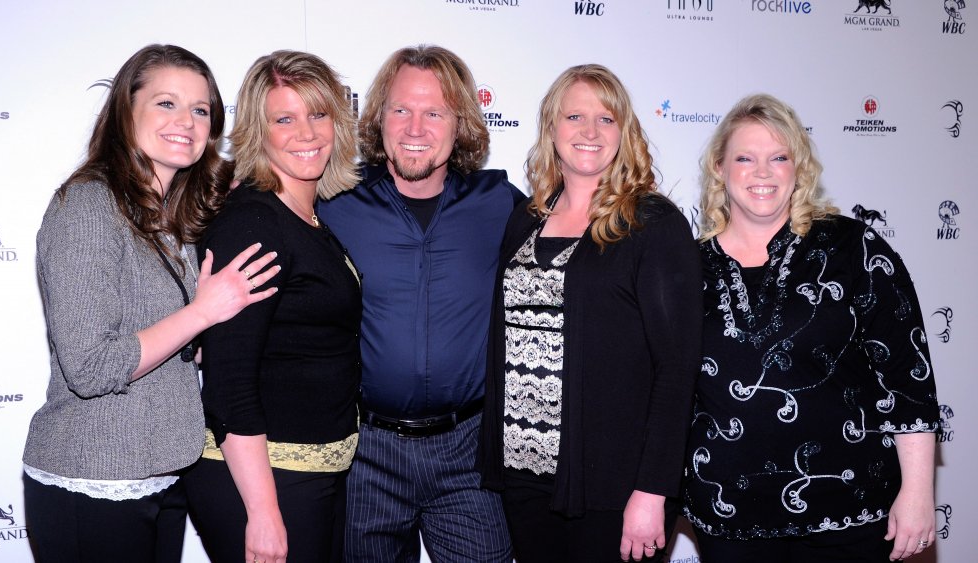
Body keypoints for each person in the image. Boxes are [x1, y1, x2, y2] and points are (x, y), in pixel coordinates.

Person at [21, 44, 279, 563]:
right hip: (91, 479)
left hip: (163, 475)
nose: (186, 121)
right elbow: (91, 367)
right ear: (125, 111)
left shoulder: (172, 215)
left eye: (200, 110)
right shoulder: (89, 205)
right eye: (166, 103)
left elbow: (166, 339)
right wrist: (203, 312)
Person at [681, 93, 940, 562]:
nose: (762, 172)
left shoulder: (852, 248)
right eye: (745, 158)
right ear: (719, 168)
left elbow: (908, 378)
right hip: (729, 519)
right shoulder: (685, 268)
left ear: (798, 168)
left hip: (850, 512)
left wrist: (919, 492)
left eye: (779, 158)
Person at [477, 64, 703, 563]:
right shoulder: (526, 218)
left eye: (606, 118)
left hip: (614, 487)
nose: (589, 131)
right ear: (551, 128)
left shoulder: (652, 224)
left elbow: (677, 368)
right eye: (574, 115)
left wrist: (652, 490)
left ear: (625, 131)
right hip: (525, 476)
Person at [316, 44, 524, 562]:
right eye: (401, 110)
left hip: (469, 451)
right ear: (379, 117)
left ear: (461, 126)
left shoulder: (499, 204)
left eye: (434, 113)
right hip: (366, 451)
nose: (415, 128)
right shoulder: (333, 203)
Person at [181, 51, 362, 563]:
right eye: (284, 119)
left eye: (318, 114)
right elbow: (229, 380)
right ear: (260, 131)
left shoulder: (305, 218)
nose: (306, 133)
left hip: (311, 473)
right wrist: (262, 510)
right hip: (266, 481)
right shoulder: (253, 224)